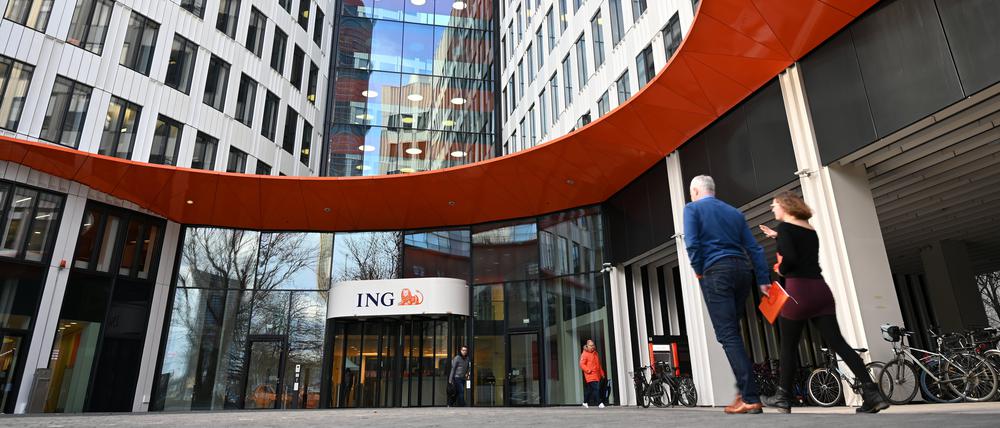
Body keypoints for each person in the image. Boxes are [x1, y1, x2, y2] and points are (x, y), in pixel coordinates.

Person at [759, 192, 889, 414]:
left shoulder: (786, 229)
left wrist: (781, 269)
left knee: (789, 346)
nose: (773, 209)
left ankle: (782, 396)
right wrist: (777, 236)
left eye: (774, 205)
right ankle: (872, 393)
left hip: (798, 291)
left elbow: (791, 258)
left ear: (785, 206)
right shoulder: (809, 229)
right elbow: (799, 247)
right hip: (821, 291)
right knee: (839, 344)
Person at [683, 175, 770, 414]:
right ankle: (744, 392)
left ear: (695, 191)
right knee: (733, 332)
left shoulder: (692, 209)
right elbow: (754, 248)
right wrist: (763, 279)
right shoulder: (734, 212)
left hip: (715, 271)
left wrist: (699, 270)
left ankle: (750, 397)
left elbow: (692, 243)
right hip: (742, 271)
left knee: (728, 334)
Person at [579, 339, 606, 408]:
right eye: (590, 345)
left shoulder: (595, 353)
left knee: (590, 390)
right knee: (596, 388)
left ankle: (585, 402)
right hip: (590, 375)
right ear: (587, 346)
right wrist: (588, 370)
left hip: (597, 375)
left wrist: (602, 373)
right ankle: (599, 403)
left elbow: (598, 365)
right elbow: (582, 364)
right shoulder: (584, 354)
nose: (592, 347)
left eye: (593, 345)